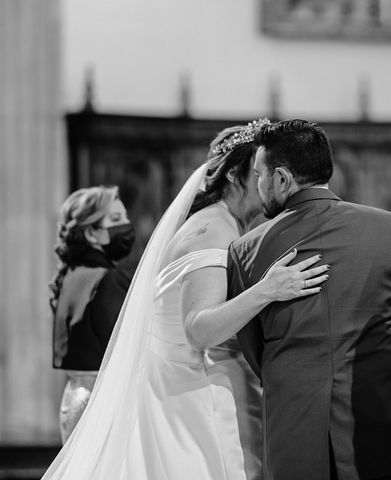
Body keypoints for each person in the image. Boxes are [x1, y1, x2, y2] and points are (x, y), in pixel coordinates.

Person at [43, 119, 329, 480]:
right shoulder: (213, 229)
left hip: (181, 386)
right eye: (258, 173)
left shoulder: (221, 223)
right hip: (189, 399)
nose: (265, 182)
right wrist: (268, 289)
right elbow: (199, 329)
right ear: (233, 176)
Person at [227, 119, 391, 480]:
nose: (257, 186)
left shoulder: (246, 250)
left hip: (295, 435)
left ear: (281, 179)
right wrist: (383, 369)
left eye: (259, 174)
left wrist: (295, 374)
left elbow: (254, 350)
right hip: (384, 422)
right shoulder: (390, 228)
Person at [49, 186, 134, 443]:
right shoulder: (107, 278)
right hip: (102, 400)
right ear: (90, 232)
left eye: (126, 217)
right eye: (116, 220)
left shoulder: (69, 275)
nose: (127, 226)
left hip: (73, 396)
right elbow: (126, 350)